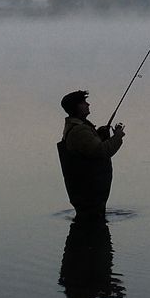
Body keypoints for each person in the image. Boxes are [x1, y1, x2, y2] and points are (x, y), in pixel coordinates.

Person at [57, 90, 126, 220]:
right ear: (76, 107)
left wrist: (100, 134)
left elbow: (89, 149)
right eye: (83, 102)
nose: (88, 104)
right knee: (93, 224)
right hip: (89, 194)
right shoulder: (79, 130)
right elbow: (101, 152)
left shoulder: (78, 127)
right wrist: (117, 137)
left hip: (87, 193)